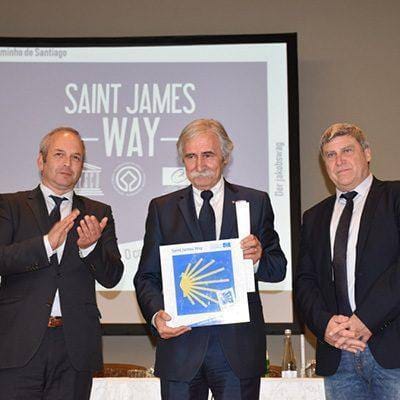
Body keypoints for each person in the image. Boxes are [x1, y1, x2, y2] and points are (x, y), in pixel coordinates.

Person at [134, 118, 286, 400]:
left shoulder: (255, 202)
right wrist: (156, 316)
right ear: (183, 160)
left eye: (208, 155)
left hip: (237, 351)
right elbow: (146, 277)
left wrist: (257, 259)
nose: (199, 164)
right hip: (180, 347)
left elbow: (278, 268)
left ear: (225, 157)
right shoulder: (162, 209)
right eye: (191, 156)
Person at [0, 127, 124, 399]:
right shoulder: (10, 205)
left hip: (74, 349)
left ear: (82, 167)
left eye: (76, 157)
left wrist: (90, 248)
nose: (67, 163)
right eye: (59, 154)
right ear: (41, 161)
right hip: (18, 344)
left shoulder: (98, 212)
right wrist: (46, 244)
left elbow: (113, 276)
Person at [295, 123, 400, 399]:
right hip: (337, 356)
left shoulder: (395, 198)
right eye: (330, 155)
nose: (339, 160)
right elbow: (305, 282)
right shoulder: (313, 217)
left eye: (347, 151)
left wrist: (366, 319)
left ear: (367, 153)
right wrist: (325, 325)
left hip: (393, 352)